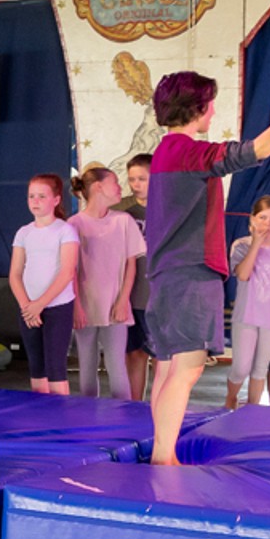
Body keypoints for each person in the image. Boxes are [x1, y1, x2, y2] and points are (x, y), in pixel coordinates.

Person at [142, 65, 270, 466]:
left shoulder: (166, 152)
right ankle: (163, 456)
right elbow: (260, 148)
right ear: (197, 107)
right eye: (209, 104)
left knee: (169, 368)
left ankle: (162, 450)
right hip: (189, 273)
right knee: (186, 370)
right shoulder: (187, 151)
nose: (212, 111)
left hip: (169, 274)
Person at [68, 166, 144, 399]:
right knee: (87, 365)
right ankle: (88, 415)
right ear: (99, 187)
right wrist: (76, 306)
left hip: (114, 306)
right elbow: (70, 270)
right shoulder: (74, 224)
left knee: (117, 365)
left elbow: (131, 265)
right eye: (115, 183)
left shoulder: (124, 221)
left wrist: (122, 301)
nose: (121, 187)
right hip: (85, 306)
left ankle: (123, 415)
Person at [223, 196, 270, 410]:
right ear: (253, 219)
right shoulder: (241, 245)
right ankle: (231, 397)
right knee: (241, 367)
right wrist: (256, 244)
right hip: (246, 317)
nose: (268, 223)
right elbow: (243, 274)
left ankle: (253, 407)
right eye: (263, 218)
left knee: (260, 368)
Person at [10, 175, 80, 395]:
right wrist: (26, 306)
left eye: (42, 196)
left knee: (55, 366)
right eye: (31, 196)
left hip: (57, 306)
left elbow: (67, 272)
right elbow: (15, 274)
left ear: (56, 200)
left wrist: (40, 304)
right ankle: (39, 411)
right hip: (29, 308)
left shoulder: (65, 231)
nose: (35, 201)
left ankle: (60, 412)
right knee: (36, 366)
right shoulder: (24, 232)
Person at [113, 153, 154, 402]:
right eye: (132, 179)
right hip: (132, 294)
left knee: (163, 357)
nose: (136, 184)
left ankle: (162, 407)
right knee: (135, 352)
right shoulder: (123, 211)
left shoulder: (170, 210)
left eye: (142, 179)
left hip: (160, 296)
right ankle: (135, 404)